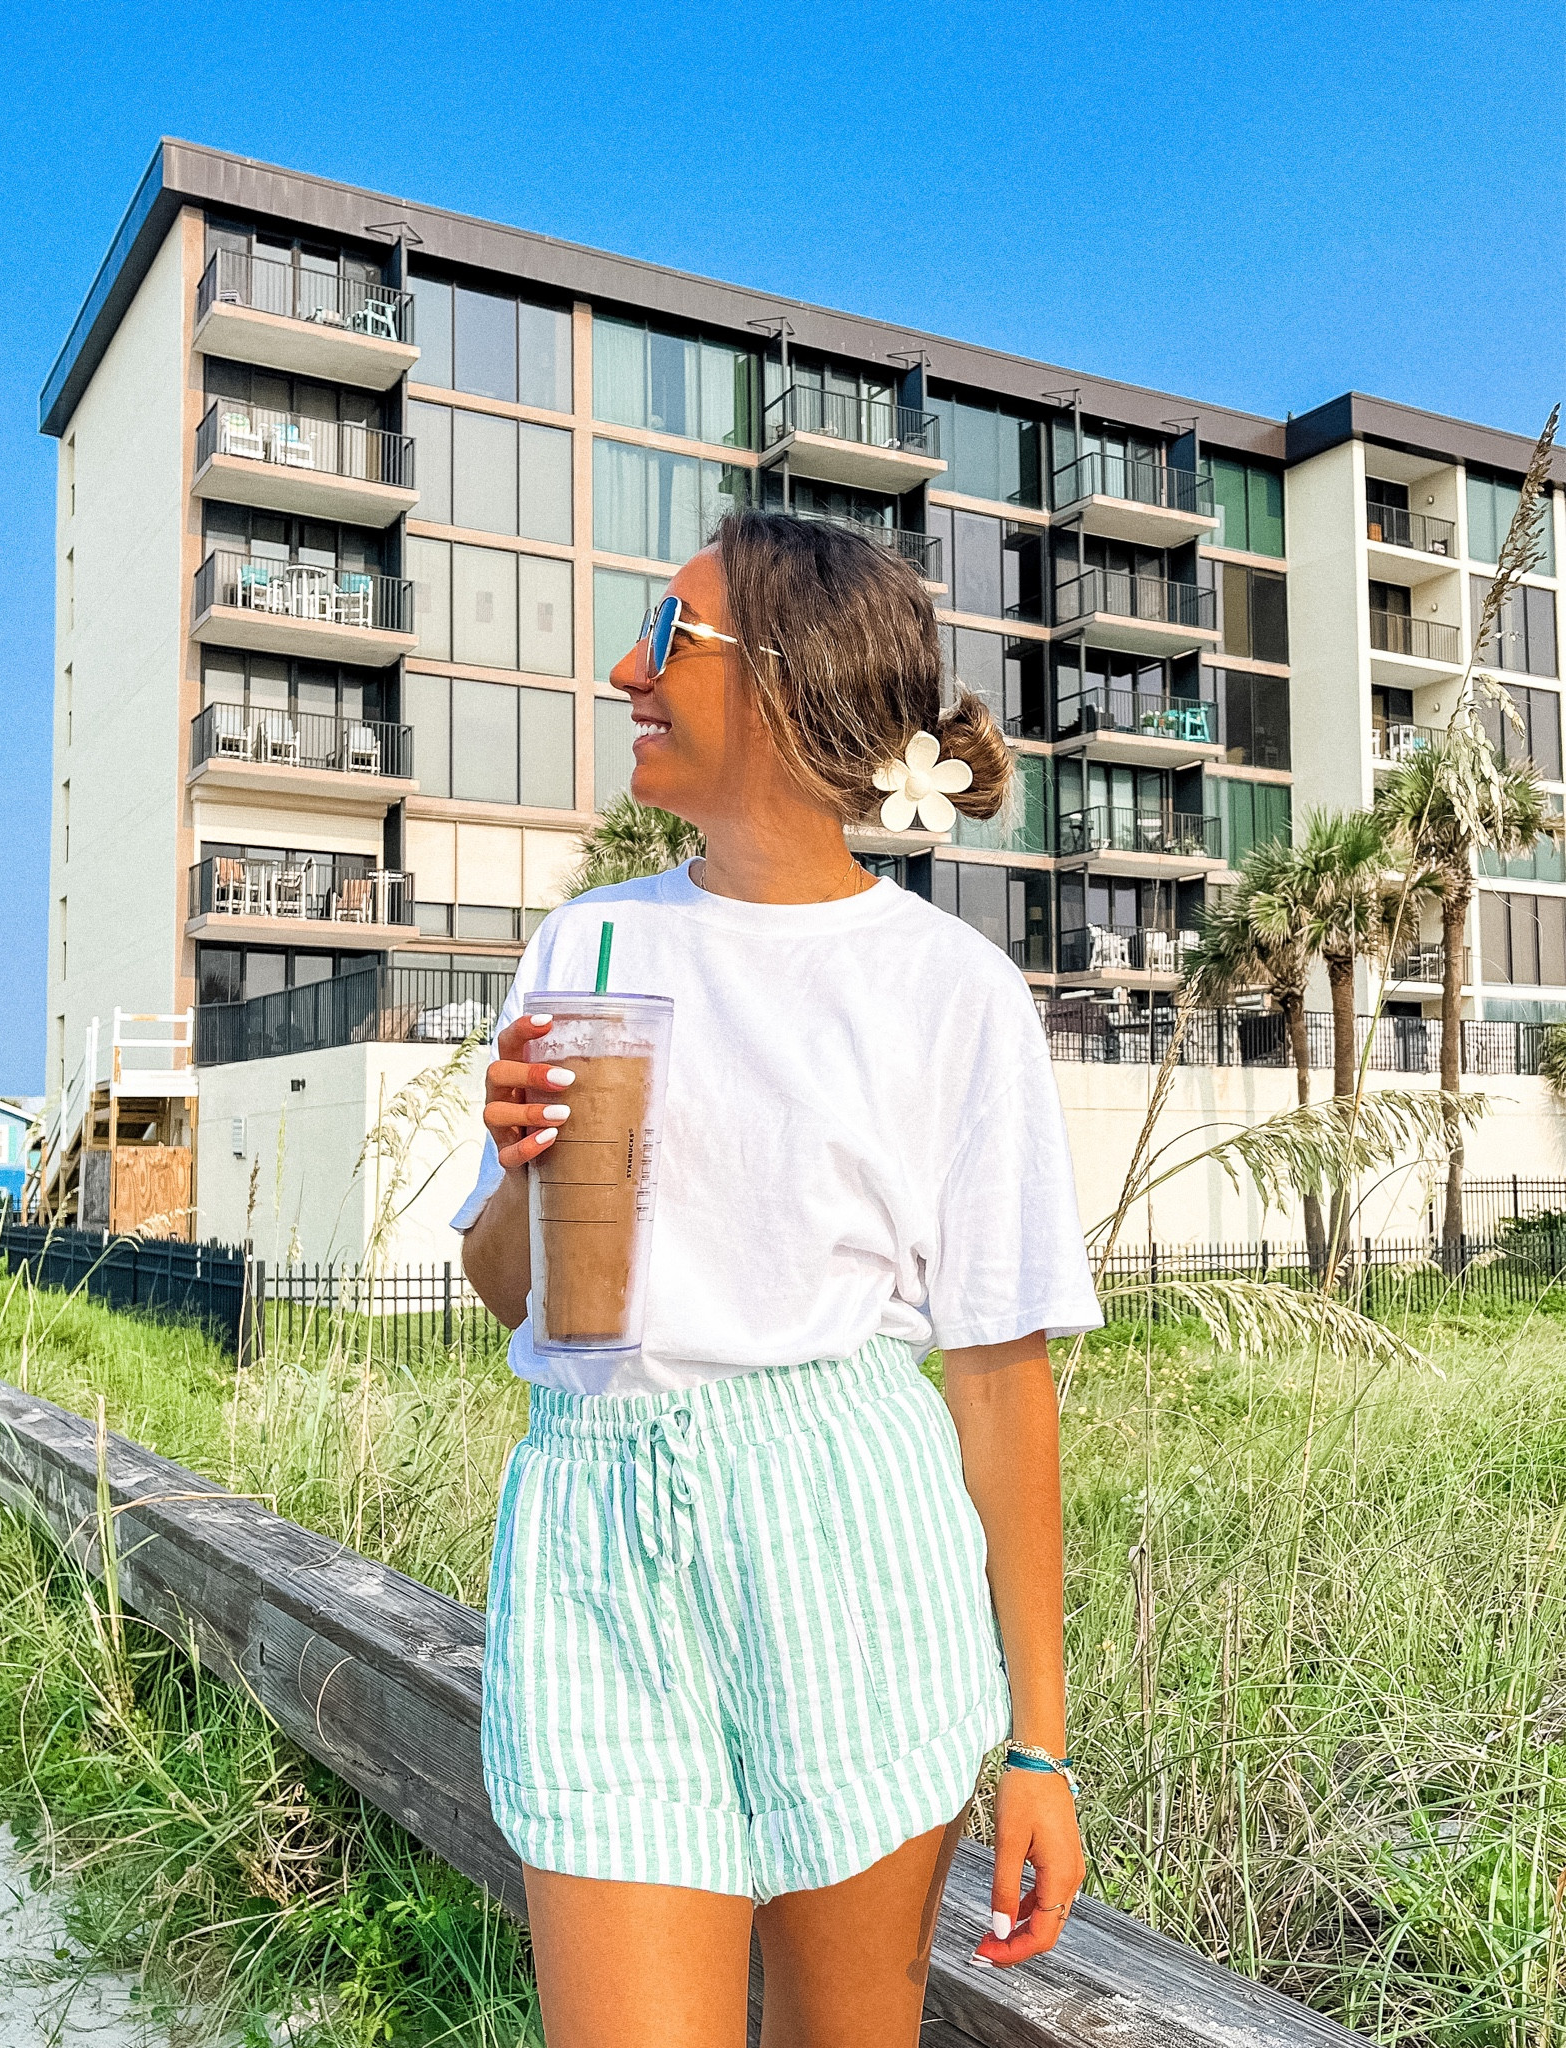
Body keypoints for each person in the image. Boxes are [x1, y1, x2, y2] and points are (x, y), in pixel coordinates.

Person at [456, 511, 1101, 2047]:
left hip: (848, 1535)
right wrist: (521, 1176)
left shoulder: (949, 990)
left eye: (671, 638)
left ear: (794, 685)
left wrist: (1042, 1752)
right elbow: (508, 1295)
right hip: (598, 1536)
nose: (628, 668)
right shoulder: (587, 946)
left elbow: (1002, 1385)